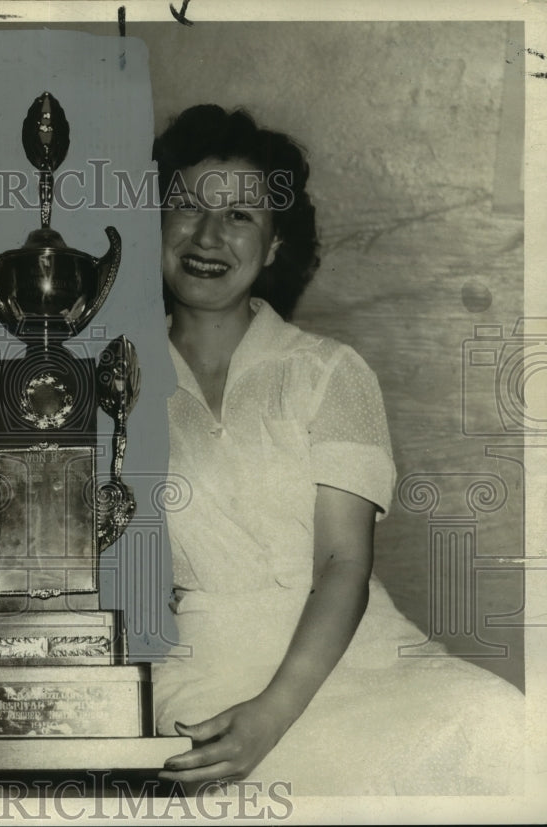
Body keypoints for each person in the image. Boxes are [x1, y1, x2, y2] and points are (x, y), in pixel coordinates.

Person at [151, 105, 524, 795]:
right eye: (188, 206)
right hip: (207, 669)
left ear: (272, 247)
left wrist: (272, 714)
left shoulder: (329, 371)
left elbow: (344, 561)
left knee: (500, 722)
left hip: (360, 655)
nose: (208, 235)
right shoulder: (113, 380)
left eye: (240, 216)